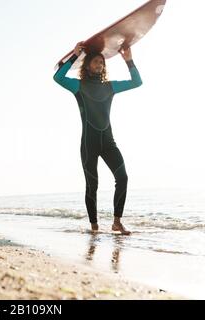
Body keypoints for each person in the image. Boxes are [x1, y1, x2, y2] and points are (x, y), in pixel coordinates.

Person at [53, 41, 143, 235]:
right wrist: (74, 56)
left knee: (122, 177)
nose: (99, 64)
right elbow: (58, 77)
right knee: (92, 185)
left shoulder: (110, 87)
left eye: (101, 62)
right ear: (87, 65)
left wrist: (129, 61)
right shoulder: (78, 85)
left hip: (108, 142)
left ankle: (117, 222)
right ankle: (94, 227)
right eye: (95, 61)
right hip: (89, 143)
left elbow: (137, 82)